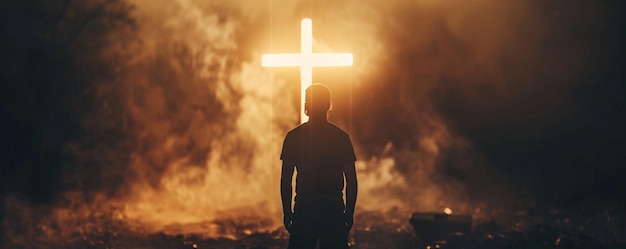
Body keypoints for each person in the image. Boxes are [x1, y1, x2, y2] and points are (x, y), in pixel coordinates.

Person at [280, 83, 358, 249]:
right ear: (328, 106)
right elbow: (351, 180)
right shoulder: (340, 137)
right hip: (332, 210)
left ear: (306, 106)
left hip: (304, 210)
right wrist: (349, 213)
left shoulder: (294, 137)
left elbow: (286, 179)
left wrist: (287, 212)